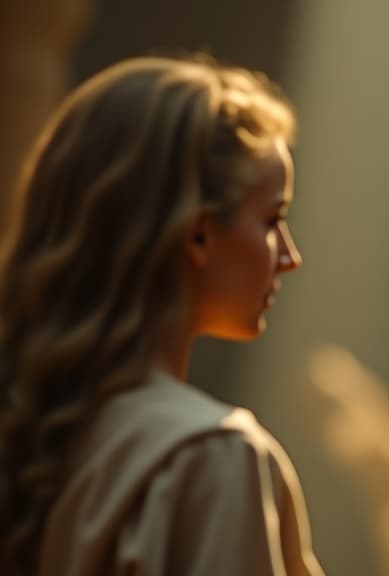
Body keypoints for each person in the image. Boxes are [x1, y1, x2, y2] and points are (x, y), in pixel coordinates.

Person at [0, 56, 324, 575]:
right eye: (272, 219)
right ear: (197, 233)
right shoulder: (207, 457)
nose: (290, 256)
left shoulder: (28, 428)